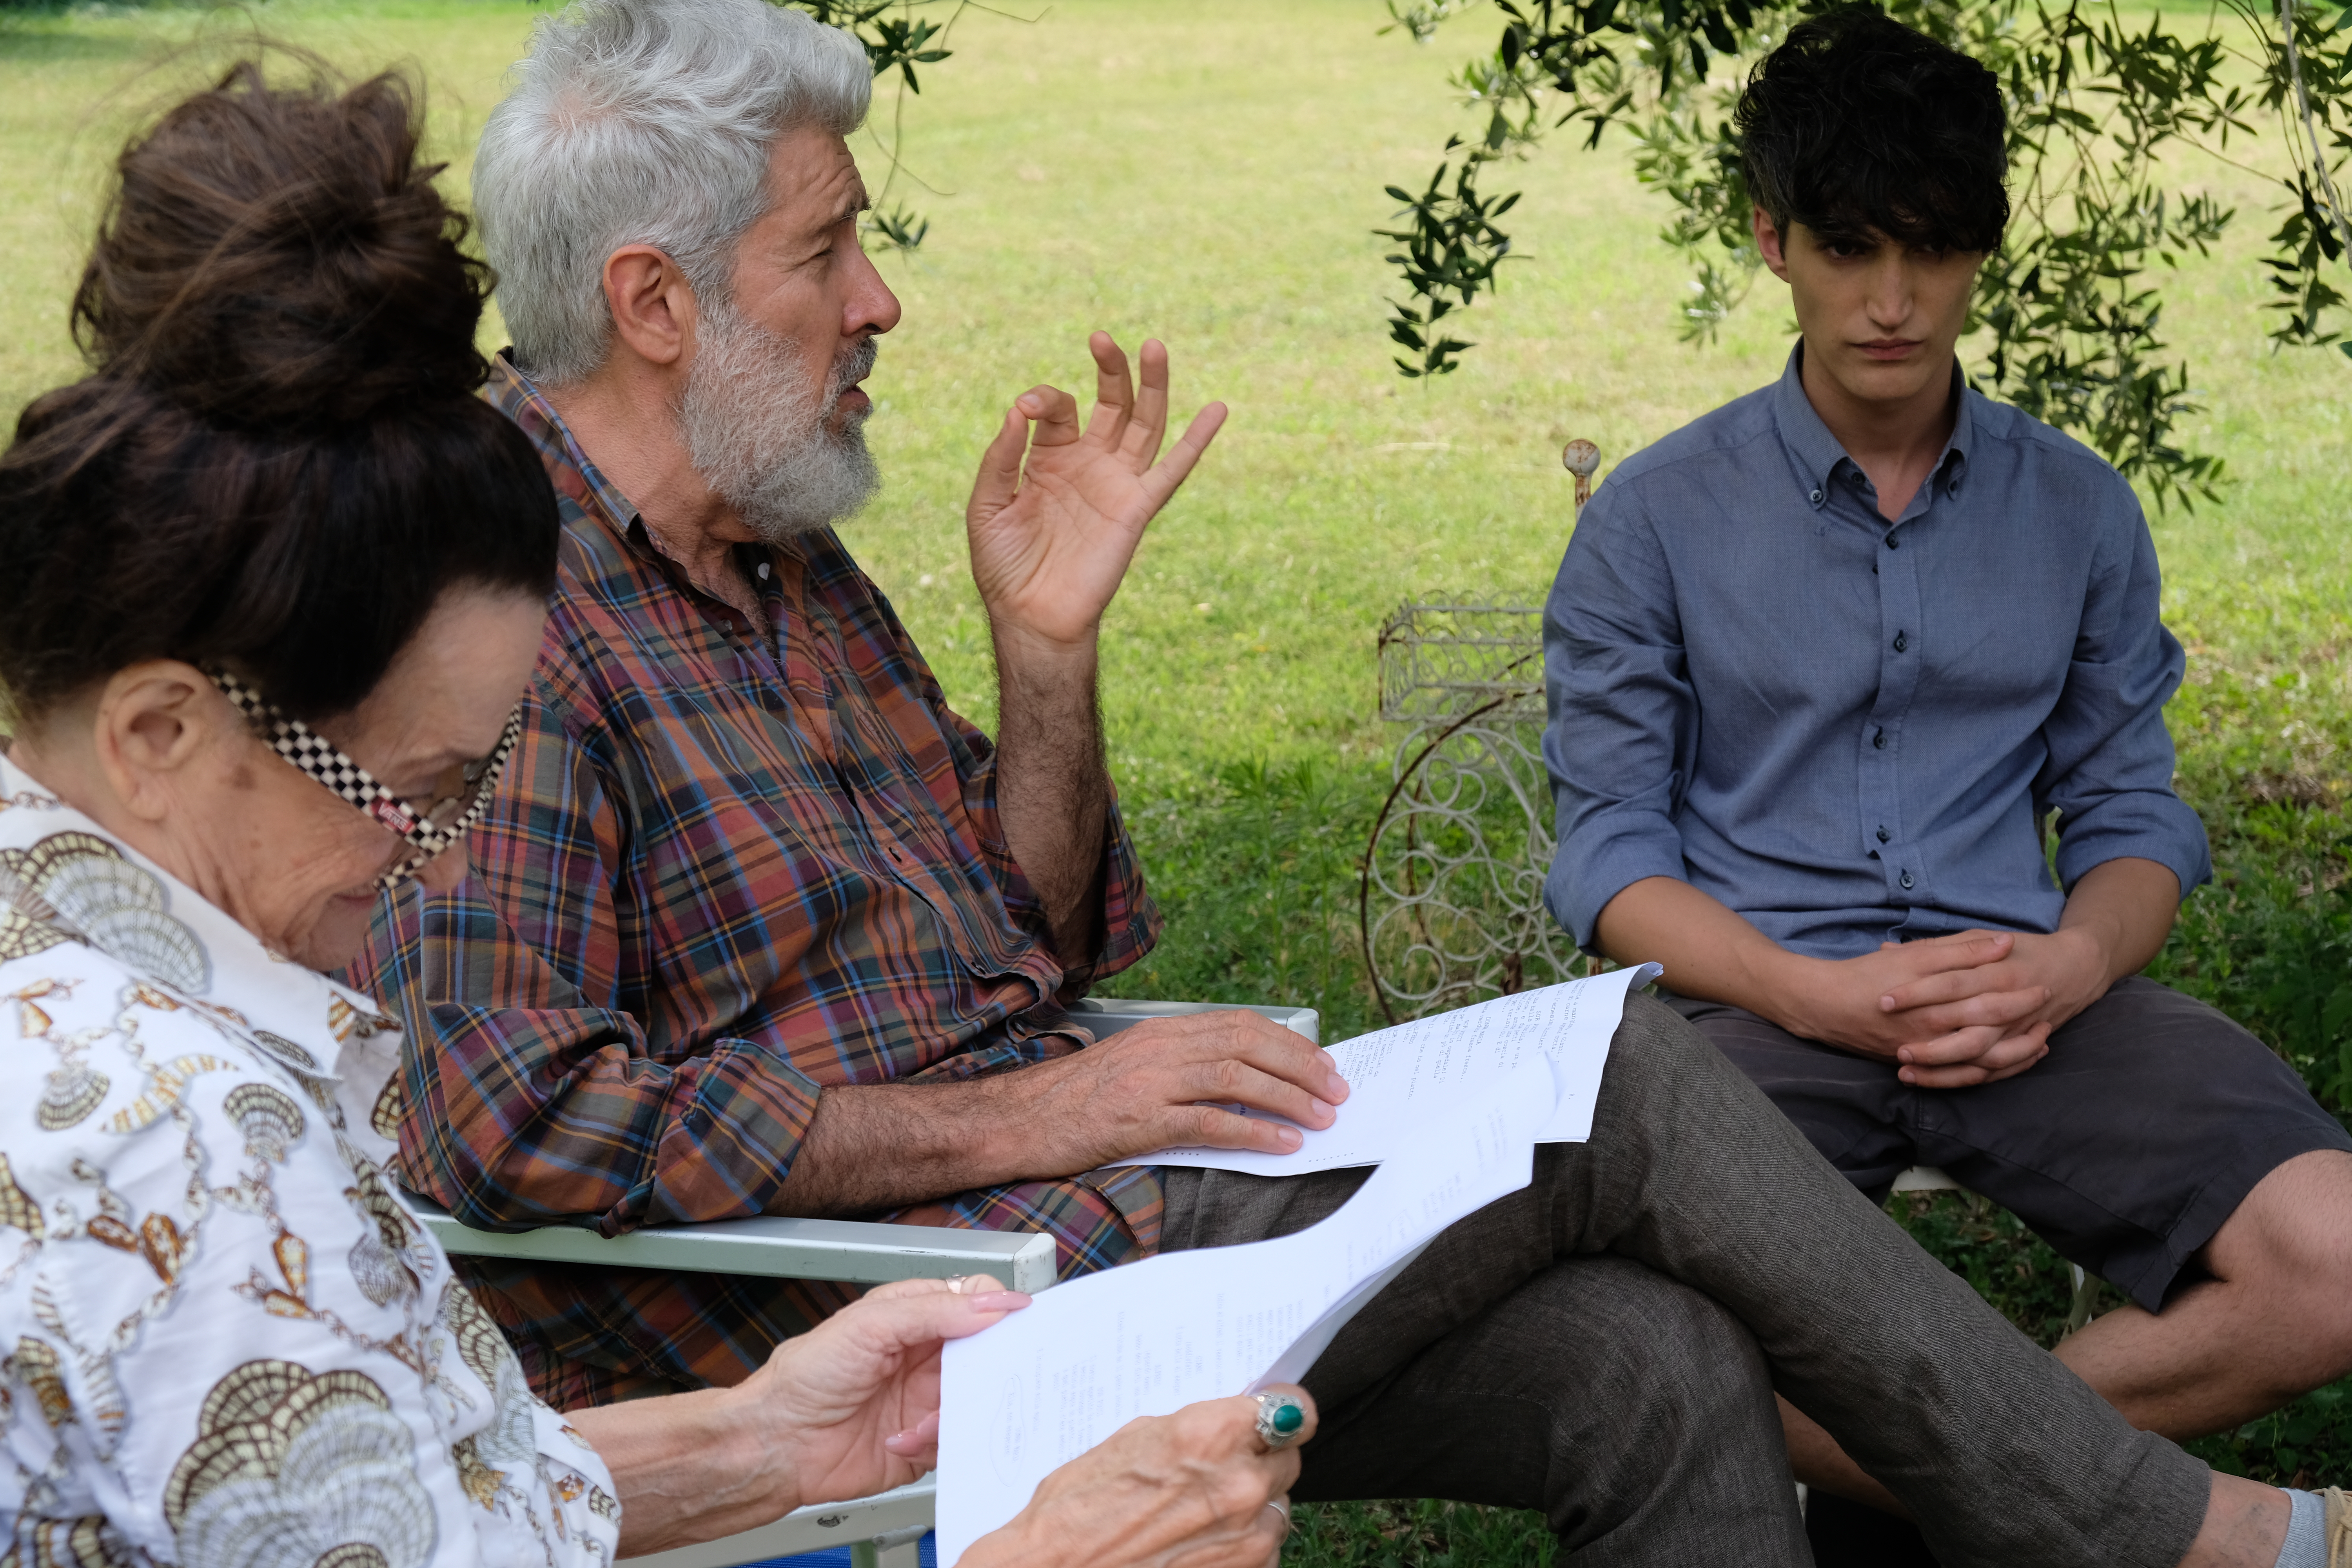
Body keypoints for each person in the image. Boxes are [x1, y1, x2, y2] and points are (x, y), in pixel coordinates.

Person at [342, 0, 2351, 1562]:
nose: (882, 302)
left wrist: (1049, 664)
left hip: (1079, 1224)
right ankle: (2153, 1531)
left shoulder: (786, 556)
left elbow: (1015, 941)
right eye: (832, 251)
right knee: (1623, 1078)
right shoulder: (507, 611)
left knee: (1652, 1368)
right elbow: (510, 1116)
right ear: (655, 300)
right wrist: (1040, 1109)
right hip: (905, 1327)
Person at [0, 60, 1316, 1568]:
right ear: (162, 731)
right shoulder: (174, 1134)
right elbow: (513, 1134)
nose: (435, 865)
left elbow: (454, 1499)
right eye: (426, 798)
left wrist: (768, 1443)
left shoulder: (127, 1020)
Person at [1541, 5, 2352, 1558]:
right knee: (1664, 1355)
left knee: (2338, 1255)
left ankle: (1991, 1464)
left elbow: (2132, 816)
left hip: (2032, 1000)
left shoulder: (2080, 512)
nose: (1896, 301)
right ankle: (2098, 1499)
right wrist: (1809, 994)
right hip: (1751, 1015)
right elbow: (1608, 862)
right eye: (1851, 248)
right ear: (1773, 240)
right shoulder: (1651, 522)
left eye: (1934, 250)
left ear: (1986, 249)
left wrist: (2073, 961)